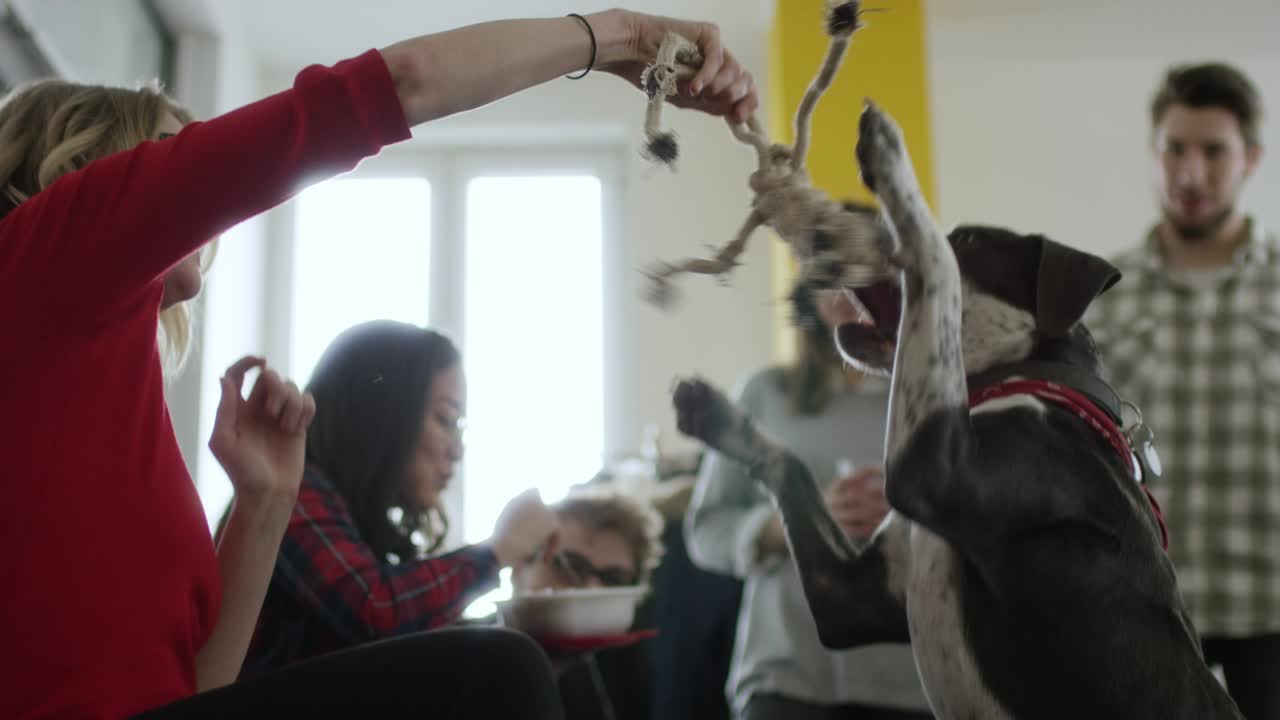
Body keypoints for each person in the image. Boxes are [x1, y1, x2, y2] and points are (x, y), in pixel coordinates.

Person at [0, 9, 758, 718]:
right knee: (496, 671)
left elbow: (197, 691)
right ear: (93, 166)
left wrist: (265, 502)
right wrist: (617, 35)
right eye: (173, 155)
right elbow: (395, 86)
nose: (195, 183)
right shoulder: (47, 253)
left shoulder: (107, 389)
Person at [1086, 62, 1280, 719]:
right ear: (1154, 152)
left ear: (1251, 157)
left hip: (1273, 608)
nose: (1190, 174)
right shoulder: (1102, 299)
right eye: (1175, 149)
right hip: (1144, 607)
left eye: (1214, 151)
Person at [238, 320, 567, 677]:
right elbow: (376, 610)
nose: (456, 450)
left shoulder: (351, 519)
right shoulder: (293, 491)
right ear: (383, 414)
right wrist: (500, 549)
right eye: (446, 419)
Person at [686, 285, 933, 720]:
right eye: (830, 272)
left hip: (915, 676)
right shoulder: (762, 394)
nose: (847, 289)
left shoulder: (936, 399)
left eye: (866, 272)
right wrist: (797, 521)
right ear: (808, 293)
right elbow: (706, 530)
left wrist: (914, 520)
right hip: (786, 671)